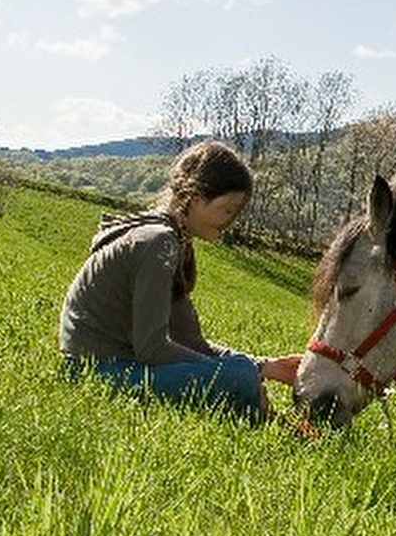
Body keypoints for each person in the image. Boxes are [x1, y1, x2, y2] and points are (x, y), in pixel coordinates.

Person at [58, 140, 299, 422]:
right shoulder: (158, 242)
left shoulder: (172, 241)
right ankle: (280, 430)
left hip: (115, 367)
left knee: (240, 372)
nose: (231, 222)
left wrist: (263, 366)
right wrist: (240, 373)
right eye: (228, 209)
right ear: (195, 198)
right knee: (239, 377)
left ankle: (280, 426)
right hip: (98, 374)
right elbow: (152, 348)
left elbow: (188, 340)